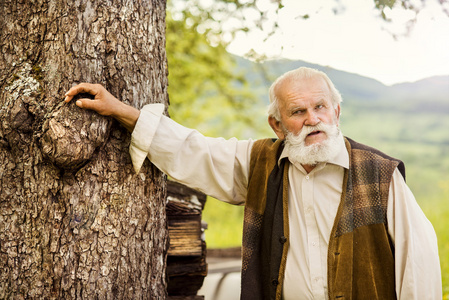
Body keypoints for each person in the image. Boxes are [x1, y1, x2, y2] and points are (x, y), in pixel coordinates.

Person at [64, 67, 441, 300]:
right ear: (277, 125)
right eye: (297, 111)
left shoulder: (381, 176)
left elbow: (418, 271)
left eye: (320, 107)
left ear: (336, 112)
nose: (313, 119)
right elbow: (193, 151)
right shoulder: (261, 162)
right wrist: (122, 112)